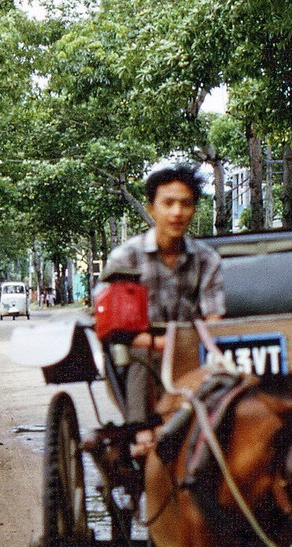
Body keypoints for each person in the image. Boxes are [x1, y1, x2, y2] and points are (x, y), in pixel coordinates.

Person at [99, 164, 226, 452]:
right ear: (152, 208)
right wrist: (158, 343)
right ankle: (141, 432)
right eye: (168, 203)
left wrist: (192, 344)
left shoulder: (207, 259)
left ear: (194, 209)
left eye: (185, 204)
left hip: (193, 347)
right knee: (141, 354)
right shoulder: (126, 257)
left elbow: (214, 317)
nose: (177, 212)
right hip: (139, 347)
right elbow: (115, 326)